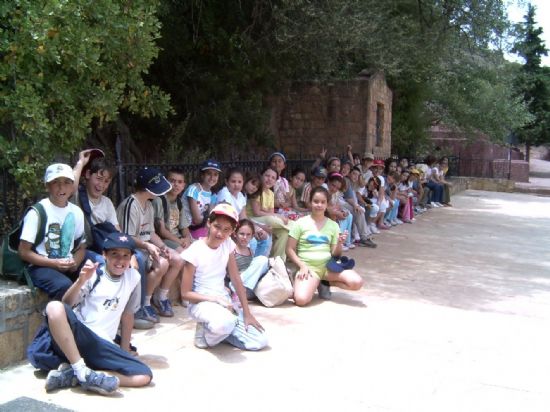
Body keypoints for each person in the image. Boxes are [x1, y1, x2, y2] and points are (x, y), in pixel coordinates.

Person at [39, 232, 152, 395]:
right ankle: (80, 368)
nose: (120, 261)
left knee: (143, 376)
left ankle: (79, 375)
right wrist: (81, 281)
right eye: (114, 255)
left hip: (102, 344)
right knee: (54, 307)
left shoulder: (133, 277)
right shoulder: (95, 274)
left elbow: (127, 315)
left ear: (131, 258)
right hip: (79, 335)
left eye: (125, 256)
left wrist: (124, 349)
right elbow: (67, 304)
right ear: (104, 255)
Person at [181, 203, 268, 350]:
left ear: (233, 231)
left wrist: (247, 313)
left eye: (226, 230)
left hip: (224, 303)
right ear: (209, 223)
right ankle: (206, 333)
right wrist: (215, 299)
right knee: (225, 323)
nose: (220, 233)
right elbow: (186, 294)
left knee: (259, 341)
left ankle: (221, 332)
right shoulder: (195, 250)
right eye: (217, 226)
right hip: (202, 304)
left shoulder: (227, 244)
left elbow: (236, 278)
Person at [117, 167, 183, 322]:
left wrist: (163, 247)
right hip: (134, 249)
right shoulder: (130, 205)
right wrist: (148, 247)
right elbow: (127, 237)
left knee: (177, 259)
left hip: (147, 247)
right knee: (163, 263)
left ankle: (161, 297)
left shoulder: (149, 204)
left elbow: (151, 233)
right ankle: (145, 303)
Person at [286, 186, 364, 307]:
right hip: (308, 268)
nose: (319, 205)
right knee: (301, 300)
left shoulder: (333, 225)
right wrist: (302, 266)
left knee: (356, 283)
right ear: (310, 202)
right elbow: (289, 249)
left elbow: (336, 255)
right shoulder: (300, 223)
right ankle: (315, 281)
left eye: (323, 202)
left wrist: (339, 243)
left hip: (328, 267)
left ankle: (325, 282)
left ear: (327, 204)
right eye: (316, 201)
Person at [18, 163, 86, 300]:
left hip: (65, 263)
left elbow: (81, 247)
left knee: (95, 275)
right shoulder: (37, 212)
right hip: (39, 266)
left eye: (67, 182)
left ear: (73, 185)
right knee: (64, 286)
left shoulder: (76, 212)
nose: (62, 187)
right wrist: (53, 263)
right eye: (56, 182)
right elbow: (24, 252)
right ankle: (58, 319)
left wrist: (75, 263)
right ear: (47, 185)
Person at [72, 149, 120, 265]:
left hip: (103, 247)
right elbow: (71, 185)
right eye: (98, 179)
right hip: (83, 249)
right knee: (103, 263)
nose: (101, 185)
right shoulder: (77, 195)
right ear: (88, 174)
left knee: (137, 257)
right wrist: (81, 162)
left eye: (106, 181)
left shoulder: (107, 202)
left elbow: (117, 230)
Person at [218, 169, 272, 257]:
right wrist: (248, 232)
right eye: (233, 181)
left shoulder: (240, 196)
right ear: (226, 182)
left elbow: (243, 217)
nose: (236, 185)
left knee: (264, 237)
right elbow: (226, 219)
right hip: (228, 228)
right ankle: (249, 264)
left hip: (239, 227)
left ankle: (256, 262)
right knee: (252, 240)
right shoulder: (225, 193)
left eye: (239, 182)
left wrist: (256, 230)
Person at [247, 167, 293, 260]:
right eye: (267, 176)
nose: (269, 179)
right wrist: (278, 215)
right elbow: (257, 212)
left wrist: (271, 214)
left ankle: (277, 261)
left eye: (273, 178)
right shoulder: (256, 190)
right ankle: (295, 227)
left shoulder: (271, 194)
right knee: (271, 219)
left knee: (284, 232)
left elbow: (270, 213)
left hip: (265, 219)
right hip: (252, 219)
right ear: (262, 176)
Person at [152, 168, 192, 253]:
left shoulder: (179, 202)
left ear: (183, 185)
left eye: (180, 182)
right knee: (185, 254)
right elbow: (162, 231)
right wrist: (180, 242)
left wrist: (187, 239)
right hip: (164, 239)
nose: (176, 185)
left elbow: (184, 227)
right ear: (165, 182)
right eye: (172, 181)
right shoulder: (159, 201)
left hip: (178, 238)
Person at [182, 159, 221, 239]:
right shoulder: (194, 189)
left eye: (215, 174)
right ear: (202, 175)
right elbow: (196, 219)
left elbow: (211, 217)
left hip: (200, 227)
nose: (212, 177)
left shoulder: (213, 194)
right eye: (209, 174)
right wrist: (208, 219)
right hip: (186, 227)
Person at [231, 219, 269, 299]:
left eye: (248, 235)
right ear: (235, 234)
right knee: (262, 259)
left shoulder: (250, 251)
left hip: (249, 288)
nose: (245, 237)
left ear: (252, 236)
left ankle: (245, 291)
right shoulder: (232, 250)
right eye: (242, 234)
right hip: (236, 284)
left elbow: (254, 269)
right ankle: (239, 290)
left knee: (264, 261)